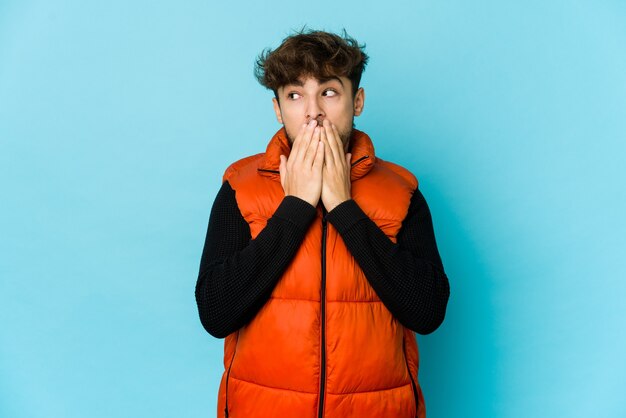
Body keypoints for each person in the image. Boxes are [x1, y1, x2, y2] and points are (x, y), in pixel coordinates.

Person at [195, 28, 450, 418]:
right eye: (295, 95)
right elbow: (216, 313)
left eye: (329, 92)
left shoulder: (403, 192)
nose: (312, 111)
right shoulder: (239, 188)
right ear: (278, 109)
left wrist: (343, 207)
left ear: (357, 100)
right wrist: (296, 205)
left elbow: (427, 312)